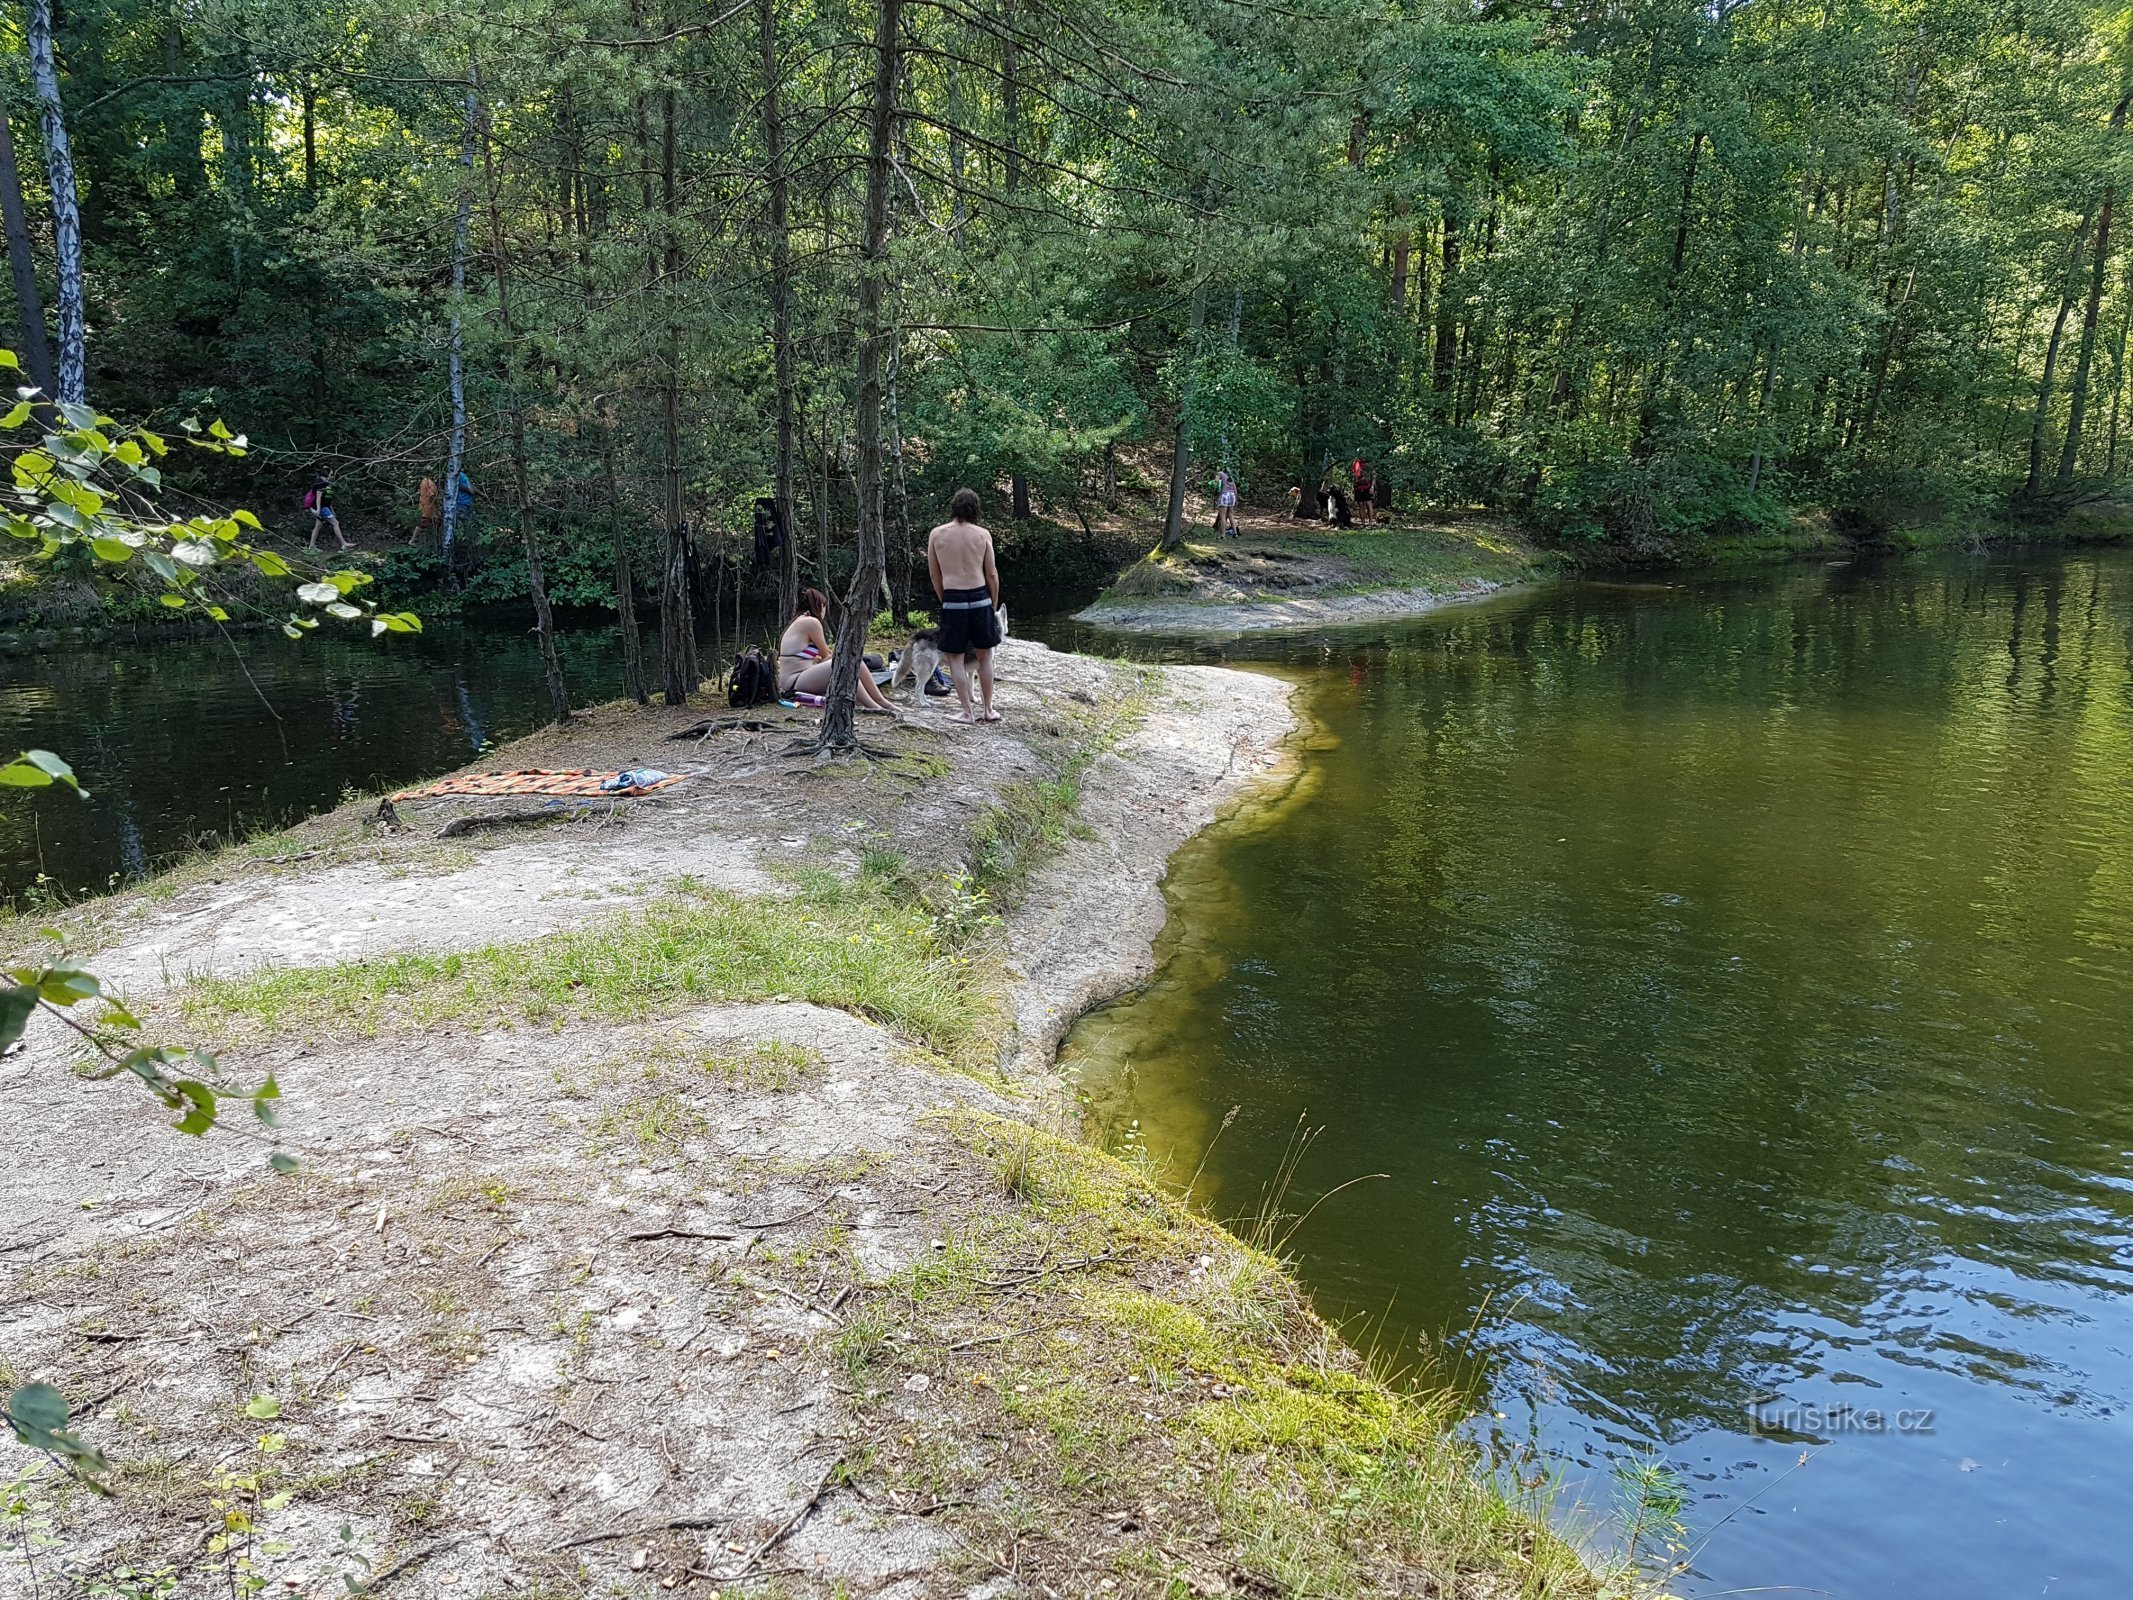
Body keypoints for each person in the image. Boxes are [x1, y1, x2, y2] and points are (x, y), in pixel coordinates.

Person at [926, 487, 1004, 724]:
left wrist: (945, 599)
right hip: (980, 598)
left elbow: (934, 574)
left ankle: (967, 712)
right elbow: (991, 573)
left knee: (956, 658)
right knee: (985, 656)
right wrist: (994, 601)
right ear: (976, 509)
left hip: (953, 599)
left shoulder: (937, 535)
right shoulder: (983, 535)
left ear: (953, 507)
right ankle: (988, 709)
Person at [777, 587, 894, 711]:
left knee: (855, 662)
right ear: (820, 605)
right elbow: (826, 654)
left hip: (800, 677)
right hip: (793, 682)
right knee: (845, 663)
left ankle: (881, 701)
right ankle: (874, 706)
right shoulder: (811, 623)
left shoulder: (801, 620)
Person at [303, 476, 351, 551]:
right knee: (335, 523)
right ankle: (343, 544)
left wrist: (332, 511)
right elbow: (318, 499)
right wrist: (318, 510)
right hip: (322, 509)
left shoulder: (328, 486)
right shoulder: (320, 485)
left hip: (326, 508)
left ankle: (311, 546)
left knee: (317, 527)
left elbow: (328, 500)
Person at [1213, 468, 1239, 538]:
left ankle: (1223, 535)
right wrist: (1236, 499)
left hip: (1225, 495)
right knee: (1231, 515)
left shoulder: (1219, 474)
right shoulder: (1230, 476)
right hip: (1232, 495)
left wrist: (1214, 491)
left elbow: (1215, 483)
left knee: (1223, 516)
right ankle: (1235, 533)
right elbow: (1235, 488)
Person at [416, 475, 440, 544]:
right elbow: (432, 495)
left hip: (423, 504)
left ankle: (431, 539)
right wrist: (437, 505)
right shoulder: (430, 483)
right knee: (424, 523)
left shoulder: (423, 481)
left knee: (435, 522)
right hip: (429, 506)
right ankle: (413, 539)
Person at [1351, 458, 1374, 524]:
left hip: (1367, 486)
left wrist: (1372, 487)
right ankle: (1363, 522)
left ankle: (1370, 522)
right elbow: (1354, 476)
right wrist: (1353, 487)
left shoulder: (1369, 465)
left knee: (1368, 503)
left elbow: (1373, 476)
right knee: (1360, 504)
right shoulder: (1356, 463)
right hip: (1358, 487)